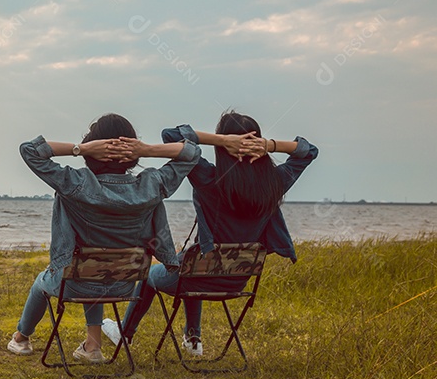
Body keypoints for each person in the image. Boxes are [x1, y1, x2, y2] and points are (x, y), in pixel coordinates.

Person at [106, 111, 319, 354]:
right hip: (238, 279)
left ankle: (125, 334)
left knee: (156, 273)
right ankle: (193, 339)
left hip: (197, 275)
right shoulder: (276, 181)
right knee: (191, 261)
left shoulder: (209, 177)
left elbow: (172, 135)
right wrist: (269, 145)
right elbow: (309, 151)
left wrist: (223, 141)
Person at [8, 113, 200, 363]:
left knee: (42, 281)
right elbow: (193, 153)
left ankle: (21, 339)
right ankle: (93, 346)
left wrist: (81, 149)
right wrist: (146, 149)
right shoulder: (152, 184)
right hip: (124, 284)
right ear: (132, 154)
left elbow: (29, 150)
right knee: (94, 267)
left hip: (75, 282)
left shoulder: (75, 182)